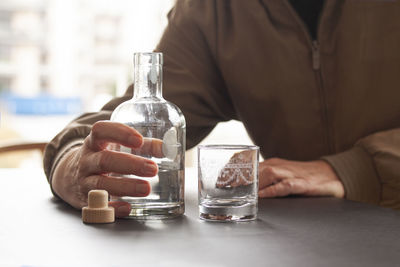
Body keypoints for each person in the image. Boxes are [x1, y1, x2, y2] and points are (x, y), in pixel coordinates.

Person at [44, 0, 400, 217]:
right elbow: (133, 119)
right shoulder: (214, 10)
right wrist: (75, 164)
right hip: (300, 242)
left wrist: (355, 170)